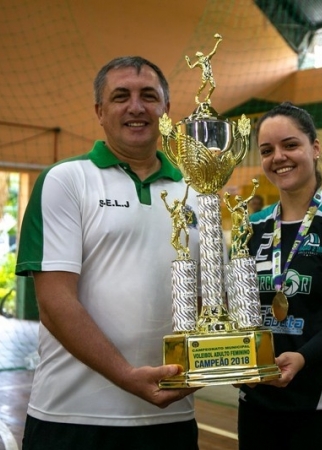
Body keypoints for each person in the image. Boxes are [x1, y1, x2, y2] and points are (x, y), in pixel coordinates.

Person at [15, 56, 200, 450]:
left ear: (166, 109)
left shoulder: (198, 192)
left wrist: (226, 360)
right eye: (121, 96)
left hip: (171, 415)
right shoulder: (65, 180)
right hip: (72, 418)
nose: (136, 107)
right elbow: (54, 303)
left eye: (149, 96)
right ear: (100, 112)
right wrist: (126, 375)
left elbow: (205, 302)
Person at [238, 102, 322, 450]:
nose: (278, 157)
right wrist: (234, 361)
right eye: (267, 150)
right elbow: (238, 312)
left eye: (290, 144)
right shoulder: (251, 227)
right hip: (257, 400)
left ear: (315, 148)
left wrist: (301, 359)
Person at [185, 33, 223, 104]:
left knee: (213, 86)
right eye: (199, 57)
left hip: (210, 74)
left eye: (200, 56)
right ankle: (197, 96)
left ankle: (207, 97)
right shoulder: (198, 62)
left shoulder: (207, 58)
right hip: (205, 75)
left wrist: (218, 41)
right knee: (203, 85)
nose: (200, 57)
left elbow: (213, 51)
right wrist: (188, 61)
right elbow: (191, 67)